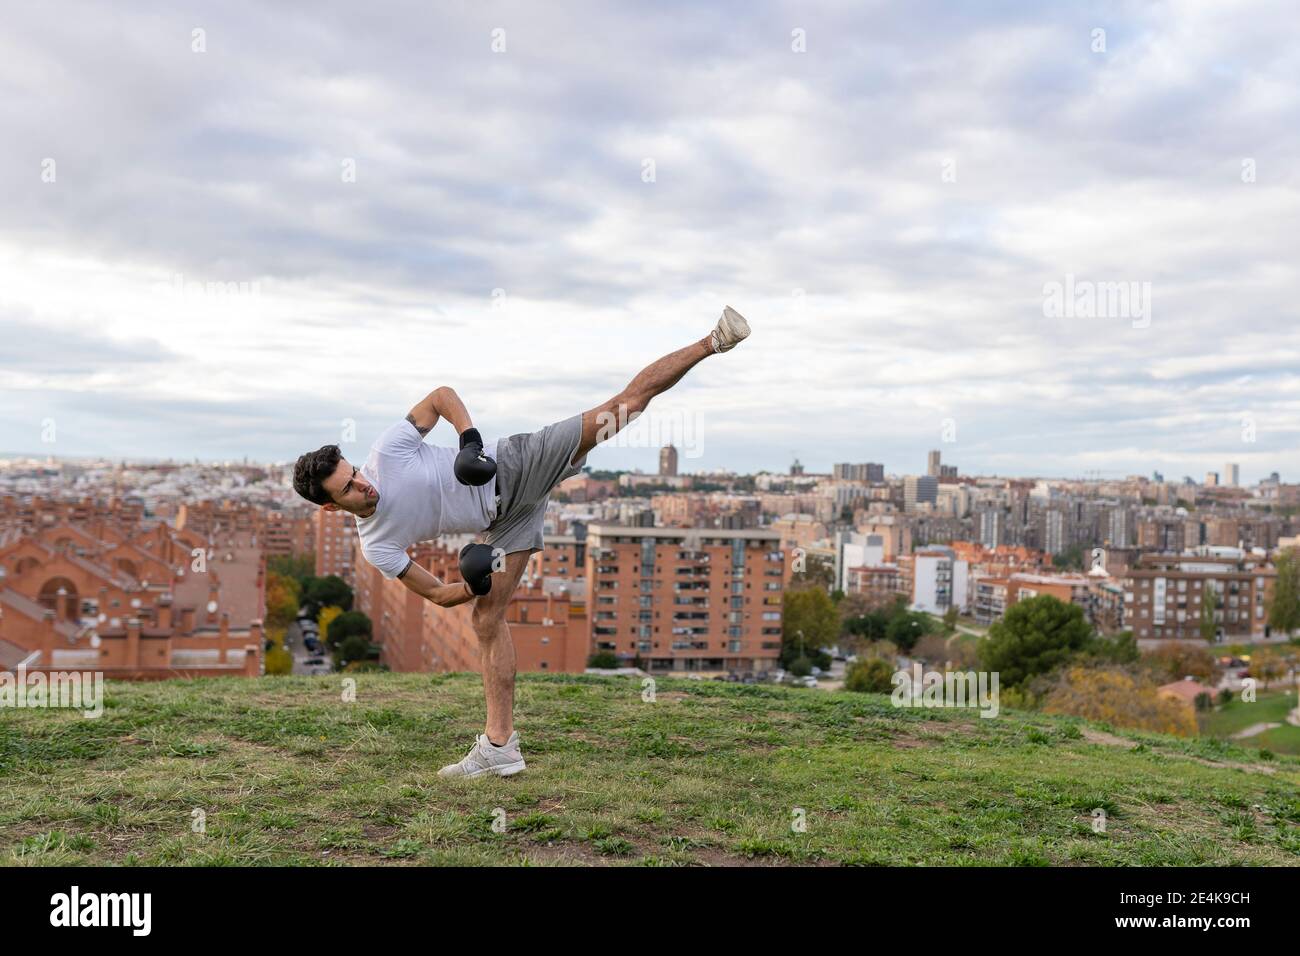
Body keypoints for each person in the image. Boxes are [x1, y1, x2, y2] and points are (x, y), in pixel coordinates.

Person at [291, 306, 751, 777]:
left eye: (355, 475)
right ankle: (500, 749)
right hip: (506, 523)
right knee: (485, 617)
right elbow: (437, 595)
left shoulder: (387, 452)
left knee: (624, 408)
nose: (364, 485)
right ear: (331, 507)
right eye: (348, 489)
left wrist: (469, 442)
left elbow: (441, 396)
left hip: (517, 465)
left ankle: (714, 340)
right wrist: (471, 582)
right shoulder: (377, 544)